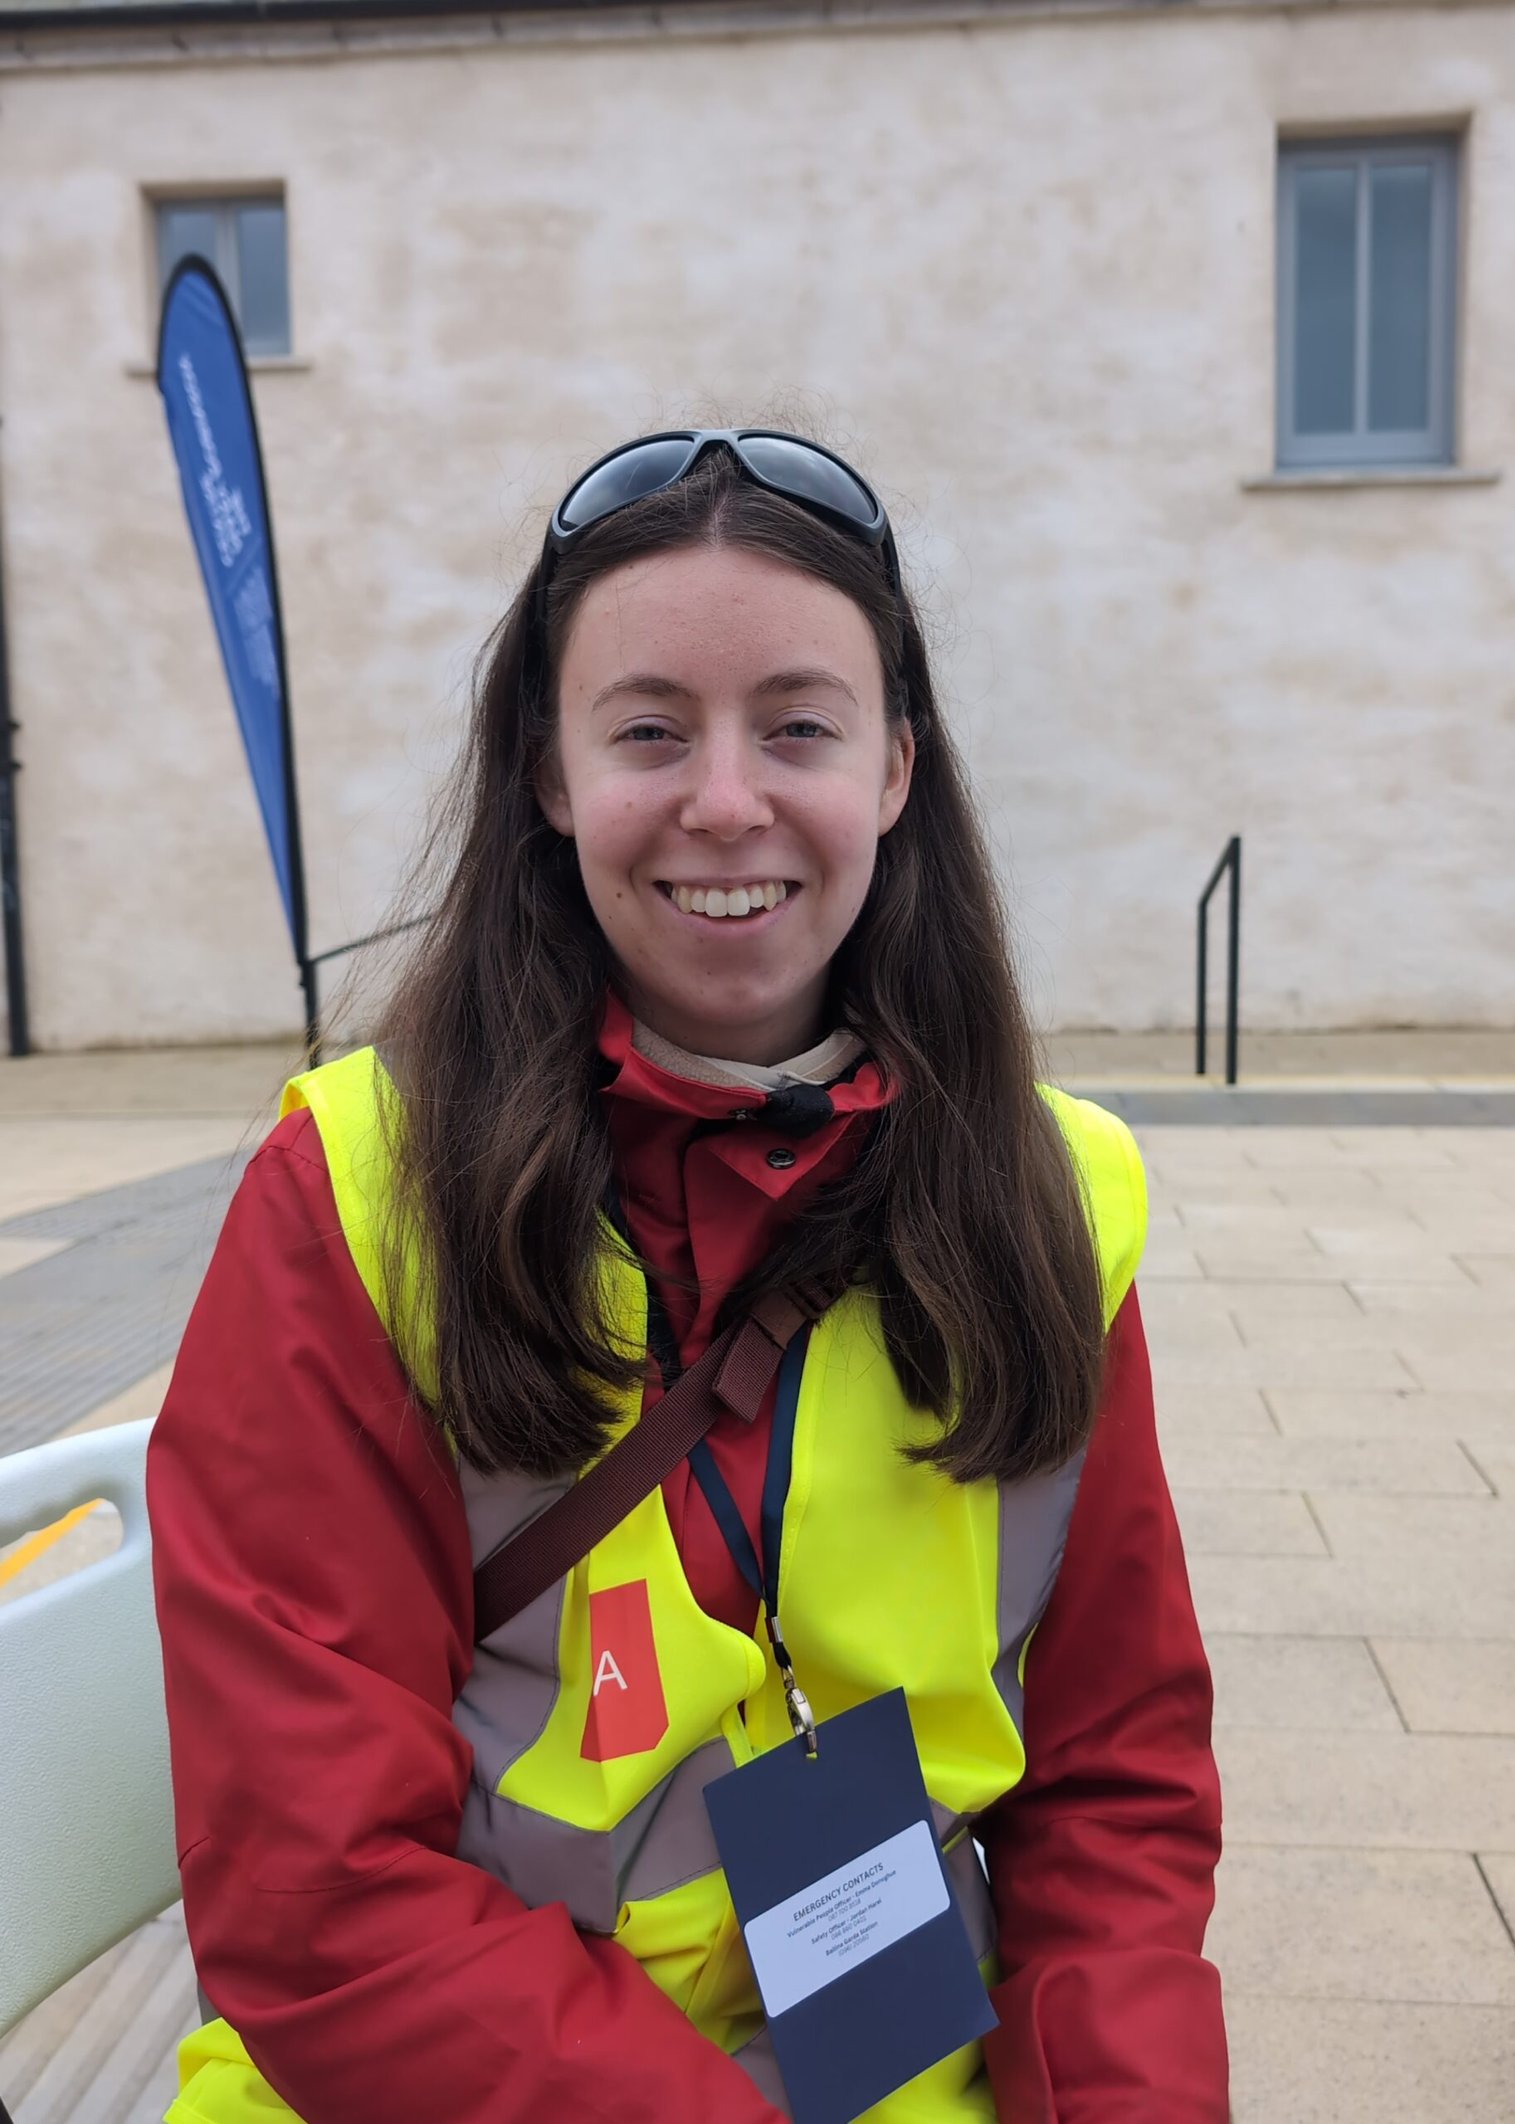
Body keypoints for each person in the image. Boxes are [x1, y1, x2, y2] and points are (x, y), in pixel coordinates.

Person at [149, 429, 1228, 2123]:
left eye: (799, 723)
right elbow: (315, 1895)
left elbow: (1114, 1795)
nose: (727, 800)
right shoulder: (351, 1198)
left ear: (893, 769)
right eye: (650, 728)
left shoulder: (1052, 1199)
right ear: (551, 773)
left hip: (884, 2062)